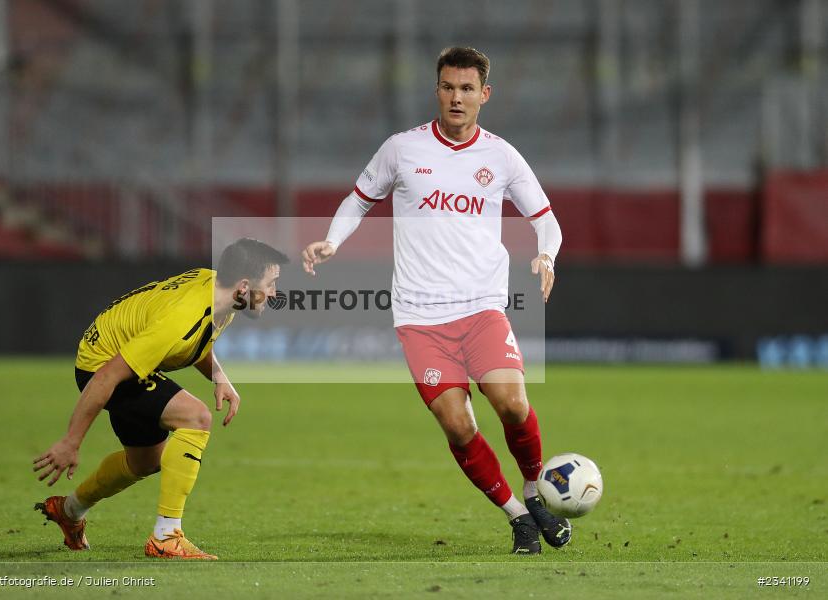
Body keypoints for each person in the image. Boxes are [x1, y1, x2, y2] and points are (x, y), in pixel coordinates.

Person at [302, 47, 569, 554]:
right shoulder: (402, 149)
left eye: (467, 89)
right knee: (458, 423)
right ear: (437, 90)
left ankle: (535, 491)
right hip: (421, 319)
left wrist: (547, 256)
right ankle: (518, 517)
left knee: (512, 405)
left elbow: (546, 220)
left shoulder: (502, 156)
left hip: (481, 307)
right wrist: (332, 240)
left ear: (484, 95)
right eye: (448, 87)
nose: (457, 97)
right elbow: (359, 198)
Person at [33, 238, 288, 560]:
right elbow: (107, 377)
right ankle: (166, 536)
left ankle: (68, 510)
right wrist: (71, 441)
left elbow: (197, 340)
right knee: (196, 417)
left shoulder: (218, 291)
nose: (276, 293)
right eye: (272, 284)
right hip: (101, 365)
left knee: (145, 462)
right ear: (243, 287)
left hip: (118, 356)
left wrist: (219, 377)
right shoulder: (180, 320)